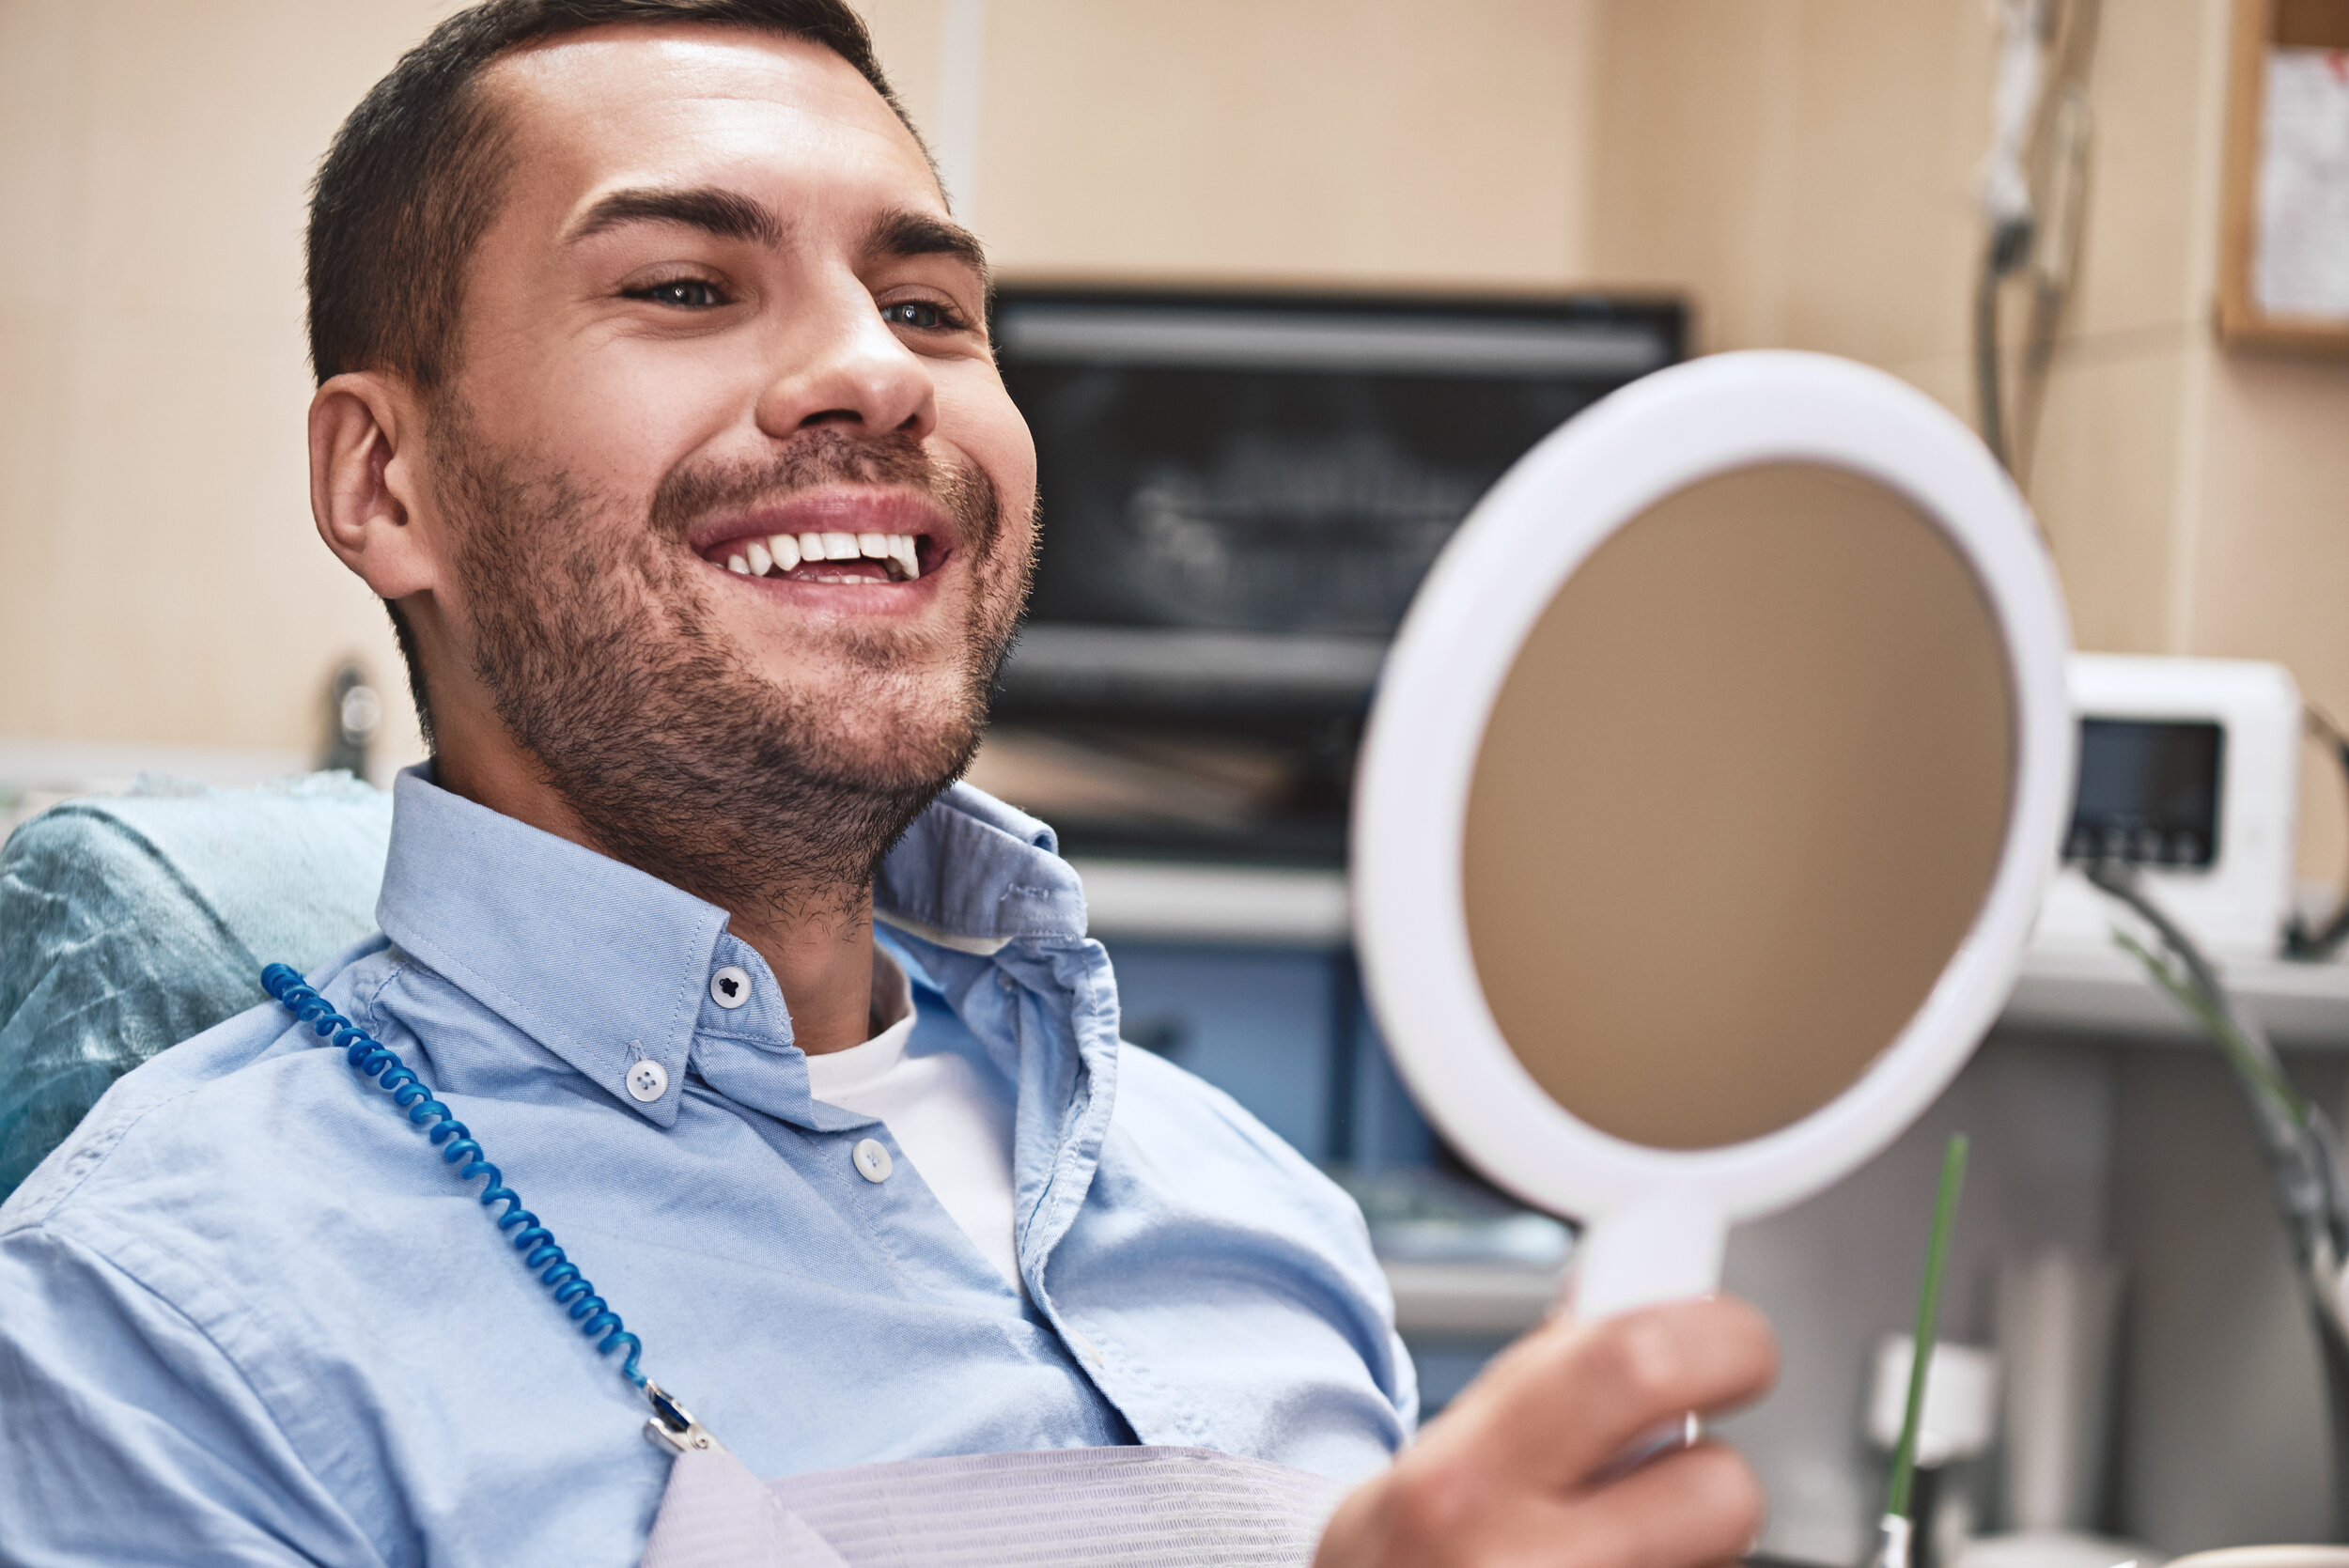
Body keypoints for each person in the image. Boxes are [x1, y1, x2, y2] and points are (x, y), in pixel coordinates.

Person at [0, 2, 1776, 1562]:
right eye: (687, 286)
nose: (871, 366)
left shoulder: (1256, 1209)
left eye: (928, 303)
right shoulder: (161, 1335)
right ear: (383, 480)